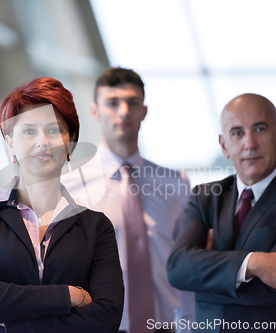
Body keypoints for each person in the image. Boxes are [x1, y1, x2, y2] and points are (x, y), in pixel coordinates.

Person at [0, 77, 124, 333]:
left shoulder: (96, 227)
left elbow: (106, 317)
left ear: (70, 140)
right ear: (10, 140)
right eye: (29, 131)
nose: (42, 141)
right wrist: (69, 296)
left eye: (53, 130)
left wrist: (5, 316)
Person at [167, 93, 276, 332]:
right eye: (237, 133)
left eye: (259, 129)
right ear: (224, 145)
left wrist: (203, 276)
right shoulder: (205, 196)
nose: (249, 143)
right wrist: (255, 263)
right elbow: (177, 269)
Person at [61, 67, 193, 333]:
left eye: (132, 103)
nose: (123, 112)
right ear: (95, 111)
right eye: (112, 103)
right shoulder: (68, 186)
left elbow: (187, 261)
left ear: (144, 111)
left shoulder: (175, 183)